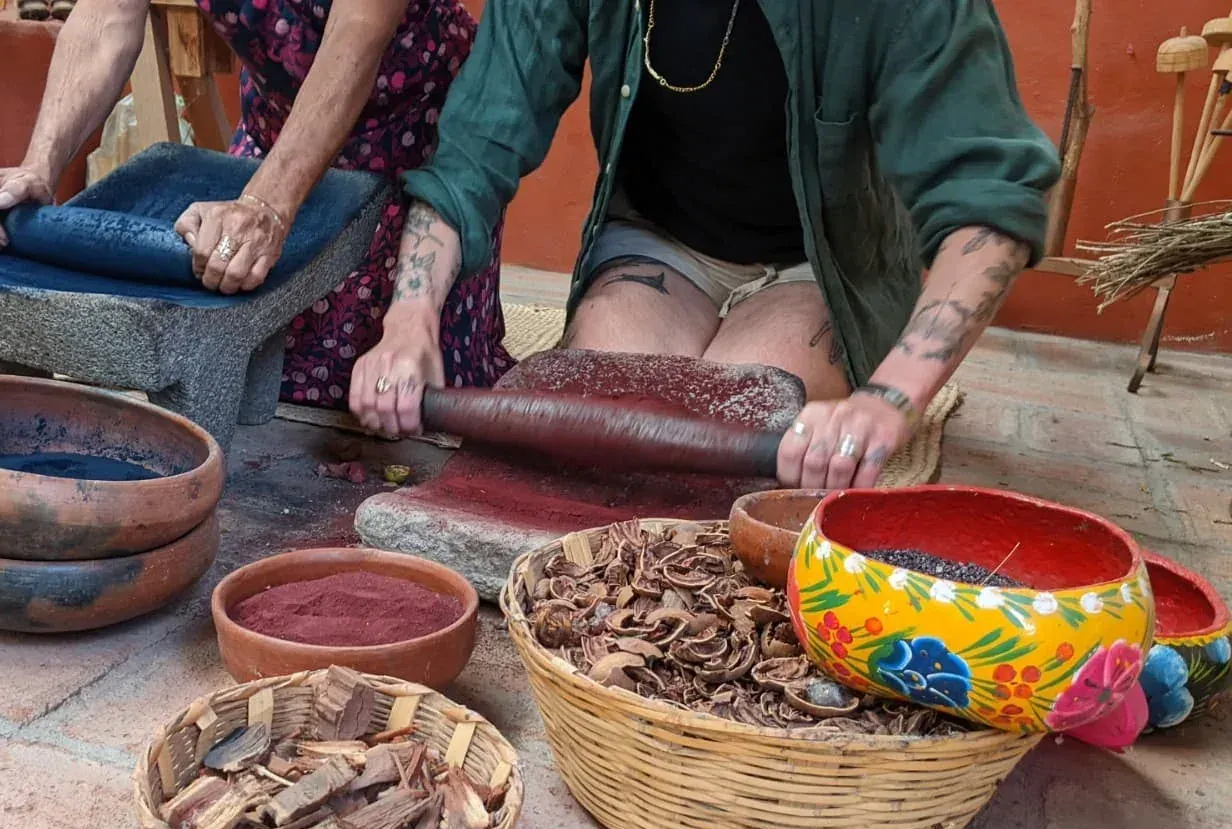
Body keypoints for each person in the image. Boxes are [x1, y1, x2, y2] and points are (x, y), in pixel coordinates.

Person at [349, 0, 1060, 490]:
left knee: (737, 431)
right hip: (660, 244)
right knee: (615, 430)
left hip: (817, 263)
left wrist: (889, 401)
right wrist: (408, 320)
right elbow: (476, 146)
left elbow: (990, 198)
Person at [0, 0, 513, 409]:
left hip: (416, 139)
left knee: (399, 391)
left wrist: (268, 204)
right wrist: (39, 166)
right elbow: (105, 19)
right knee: (233, 347)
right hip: (274, 135)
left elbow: (358, 33)